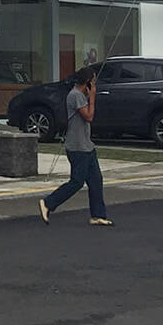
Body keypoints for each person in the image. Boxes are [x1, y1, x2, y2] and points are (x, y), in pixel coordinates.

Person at [40, 72, 110, 226]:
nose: (95, 84)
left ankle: (98, 215)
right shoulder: (75, 96)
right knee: (77, 182)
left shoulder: (79, 95)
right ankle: (48, 203)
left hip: (87, 145)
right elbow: (89, 116)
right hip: (77, 146)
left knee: (96, 180)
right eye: (93, 81)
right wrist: (92, 97)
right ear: (88, 82)